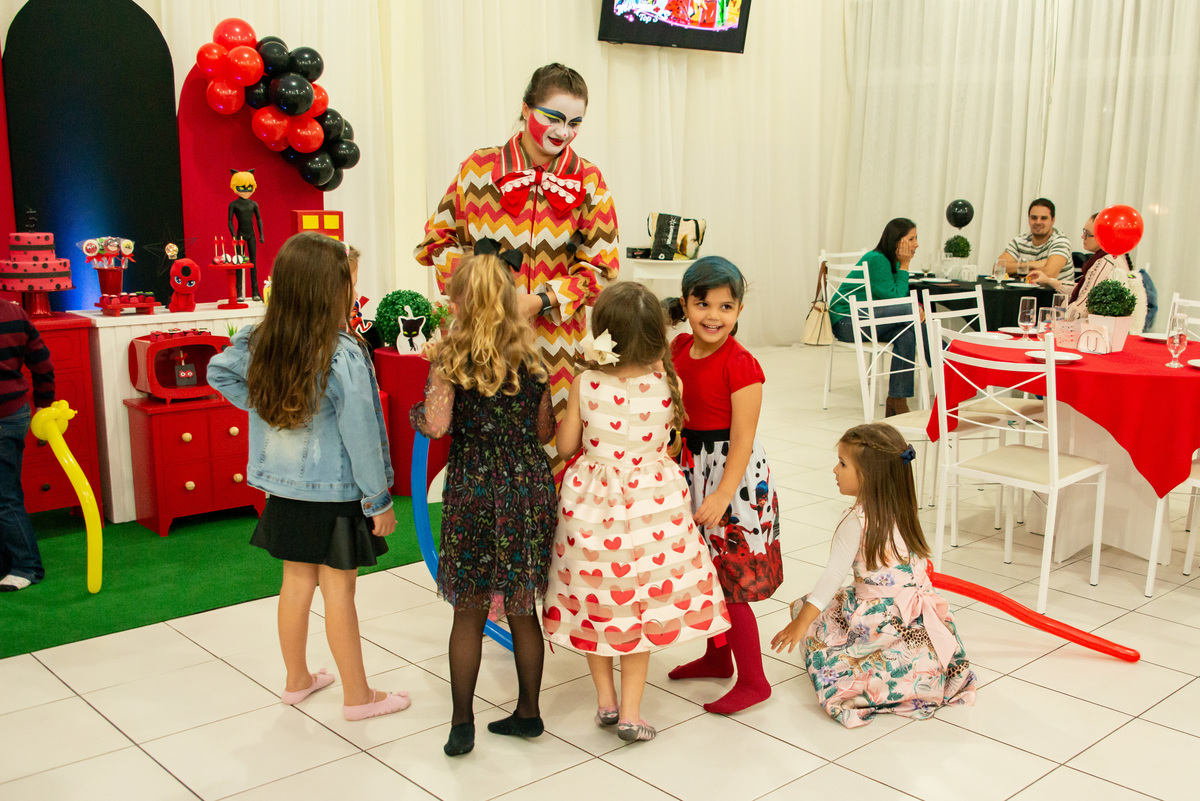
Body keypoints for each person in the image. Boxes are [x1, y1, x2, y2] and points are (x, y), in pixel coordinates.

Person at [208, 232, 409, 722]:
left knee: (295, 581)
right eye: (348, 285)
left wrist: (269, 405)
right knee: (339, 590)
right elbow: (362, 432)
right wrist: (378, 499)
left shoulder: (261, 337)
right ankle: (358, 697)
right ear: (328, 289)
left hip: (283, 486)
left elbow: (219, 371)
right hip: (336, 490)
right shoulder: (343, 352)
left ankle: (297, 679)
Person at [542, 281, 730, 742]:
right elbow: (668, 440)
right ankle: (631, 712)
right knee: (639, 607)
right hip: (654, 506)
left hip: (592, 507)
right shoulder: (670, 382)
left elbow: (565, 447)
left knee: (599, 602)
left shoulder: (585, 383)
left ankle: (605, 703)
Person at [415, 63, 620, 479]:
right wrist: (485, 290)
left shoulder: (589, 180)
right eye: (553, 117)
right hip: (482, 339)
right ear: (526, 109)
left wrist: (540, 300)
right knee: (484, 452)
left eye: (575, 122)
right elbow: (434, 244)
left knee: (558, 449)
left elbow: (602, 269)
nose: (563, 132)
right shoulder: (478, 168)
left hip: (555, 345)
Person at [410, 253, 558, 757]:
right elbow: (544, 432)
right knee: (521, 608)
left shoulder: (451, 359)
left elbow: (436, 425)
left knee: (468, 611)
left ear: (459, 302)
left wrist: (419, 401)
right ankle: (530, 714)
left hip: (474, 486)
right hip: (527, 488)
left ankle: (461, 725)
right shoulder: (535, 360)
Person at [771, 423, 976, 728]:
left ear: (868, 475)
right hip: (915, 613)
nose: (834, 470)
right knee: (911, 657)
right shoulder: (905, 510)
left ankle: (859, 682)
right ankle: (914, 677)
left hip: (874, 620)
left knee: (812, 619)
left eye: (843, 463)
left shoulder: (856, 520)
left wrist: (800, 624)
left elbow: (832, 576)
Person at [663, 257, 779, 714]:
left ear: (740, 310)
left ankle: (754, 679)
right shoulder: (678, 349)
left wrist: (723, 494)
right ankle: (717, 656)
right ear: (685, 305)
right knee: (703, 570)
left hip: (731, 477)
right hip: (689, 465)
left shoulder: (742, 365)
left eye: (726, 306)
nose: (714, 316)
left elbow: (743, 440)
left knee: (731, 578)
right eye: (703, 304)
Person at [828, 218, 926, 417]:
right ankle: (946, 357)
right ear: (897, 241)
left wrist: (912, 307)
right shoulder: (878, 260)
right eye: (911, 239)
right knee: (909, 312)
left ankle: (897, 401)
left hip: (867, 318)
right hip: (847, 322)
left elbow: (895, 298)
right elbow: (897, 300)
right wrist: (906, 265)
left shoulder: (890, 261)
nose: (916, 244)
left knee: (905, 332)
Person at [0, 300, 54, 592]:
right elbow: (42, 363)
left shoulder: (12, 313)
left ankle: (26, 566)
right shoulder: (13, 312)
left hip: (5, 416)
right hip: (15, 412)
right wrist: (44, 405)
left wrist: (46, 409)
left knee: (4, 497)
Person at [1029, 212, 1149, 331]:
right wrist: (1050, 281)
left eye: (1087, 233)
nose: (1083, 237)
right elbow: (1086, 291)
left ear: (1102, 236)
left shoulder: (1105, 262)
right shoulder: (1117, 256)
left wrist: (1056, 321)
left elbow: (1081, 308)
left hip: (1090, 332)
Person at [996, 198, 1072, 278]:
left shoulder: (1061, 241)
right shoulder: (1020, 240)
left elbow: (1049, 274)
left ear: (1053, 221)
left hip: (1054, 291)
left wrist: (1017, 273)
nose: (1038, 222)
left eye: (1043, 218)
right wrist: (1033, 264)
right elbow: (998, 269)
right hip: (1023, 289)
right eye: (1034, 218)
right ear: (1029, 220)